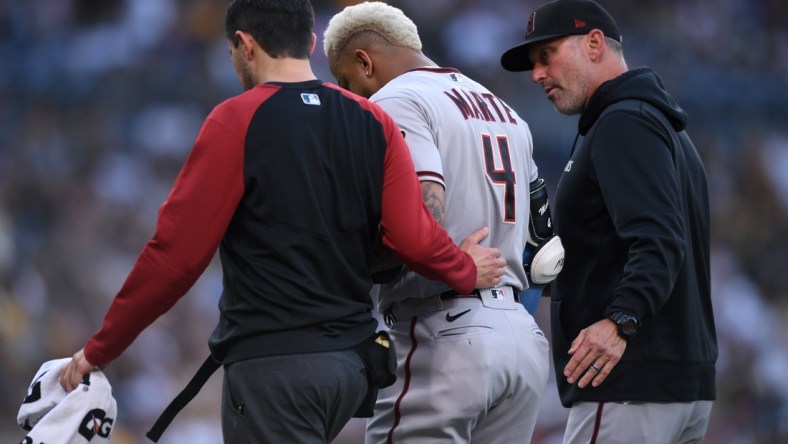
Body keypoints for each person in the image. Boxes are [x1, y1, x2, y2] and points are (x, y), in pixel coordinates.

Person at [57, 0, 509, 443]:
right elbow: (412, 239)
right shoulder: (374, 120)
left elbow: (175, 259)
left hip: (275, 368)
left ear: (244, 44)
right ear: (311, 43)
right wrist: (464, 267)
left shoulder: (236, 119)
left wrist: (100, 349)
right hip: (352, 367)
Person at [323, 3, 564, 442]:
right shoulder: (505, 110)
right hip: (521, 339)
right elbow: (544, 243)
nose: (351, 95)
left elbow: (419, 220)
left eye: (346, 81)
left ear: (364, 61)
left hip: (443, 331)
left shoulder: (394, 100)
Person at [500, 0, 717, 443]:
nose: (537, 74)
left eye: (547, 55)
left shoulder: (624, 122)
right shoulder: (657, 122)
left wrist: (621, 320)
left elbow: (658, 239)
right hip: (676, 382)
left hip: (629, 383)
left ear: (594, 43)